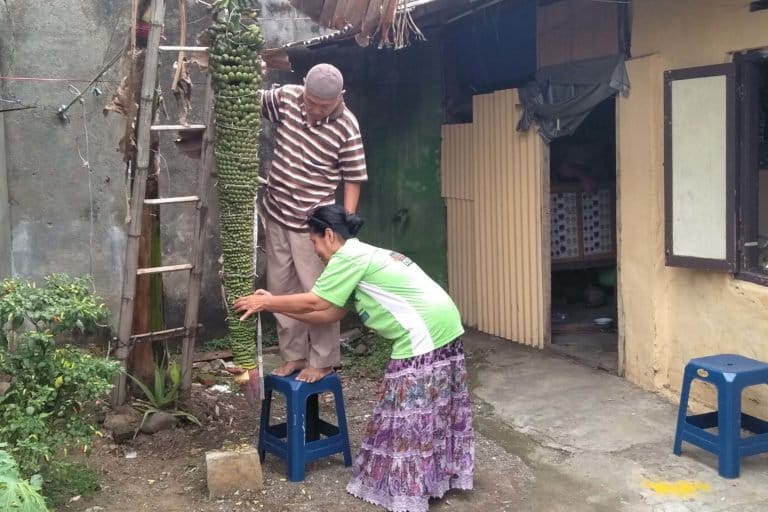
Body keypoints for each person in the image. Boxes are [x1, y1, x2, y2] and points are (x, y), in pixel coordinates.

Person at [234, 205, 474, 512]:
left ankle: (409, 489)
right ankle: (433, 479)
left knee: (409, 413)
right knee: (430, 410)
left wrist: (265, 301)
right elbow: (328, 313)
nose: (316, 251)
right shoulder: (364, 255)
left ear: (329, 235)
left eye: (315, 243)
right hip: (445, 324)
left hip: (424, 334)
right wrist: (273, 307)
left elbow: (315, 301)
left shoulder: (348, 257)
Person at [260, 63, 367, 383]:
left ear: (340, 98)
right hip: (277, 212)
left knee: (319, 295)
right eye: (311, 102)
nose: (316, 110)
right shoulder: (287, 98)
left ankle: (323, 360)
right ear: (302, 86)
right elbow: (250, 98)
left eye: (324, 106)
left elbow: (353, 177)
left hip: (314, 226)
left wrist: (343, 226)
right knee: (281, 291)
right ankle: (294, 356)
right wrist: (253, 67)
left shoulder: (347, 125)